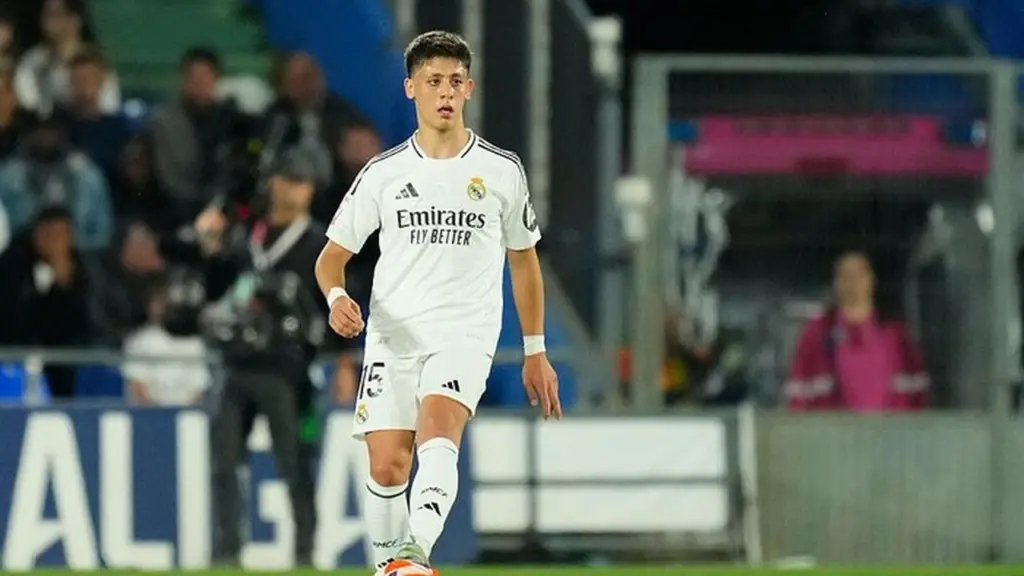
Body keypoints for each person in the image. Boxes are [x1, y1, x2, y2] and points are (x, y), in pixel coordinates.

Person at [314, 31, 561, 574]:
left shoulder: (501, 170)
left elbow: (524, 261)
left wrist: (535, 350)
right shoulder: (384, 173)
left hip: (464, 332)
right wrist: (336, 297)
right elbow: (330, 259)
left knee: (439, 428)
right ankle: (392, 569)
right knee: (387, 466)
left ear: (469, 88)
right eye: (433, 81)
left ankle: (414, 552)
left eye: (454, 81)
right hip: (393, 334)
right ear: (411, 88)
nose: (445, 92)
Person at [197, 149, 331, 567]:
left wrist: (340, 358)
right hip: (236, 364)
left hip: (288, 372)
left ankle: (305, 552)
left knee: (296, 463)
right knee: (224, 463)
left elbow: (334, 306)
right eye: (287, 179)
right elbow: (215, 289)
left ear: (311, 190)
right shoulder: (246, 238)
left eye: (301, 183)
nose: (293, 190)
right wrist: (211, 247)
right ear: (272, 182)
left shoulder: (319, 245)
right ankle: (227, 552)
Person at [786, 250, 930, 411]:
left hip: (889, 427)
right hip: (831, 426)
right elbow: (797, 395)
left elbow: (919, 397)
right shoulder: (815, 334)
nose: (852, 282)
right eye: (845, 275)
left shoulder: (897, 337)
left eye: (859, 274)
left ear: (871, 280)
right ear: (836, 282)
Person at [15, 0, 120, 116]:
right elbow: (28, 103)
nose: (48, 21)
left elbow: (109, 107)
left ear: (75, 19)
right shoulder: (33, 61)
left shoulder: (95, 62)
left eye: (55, 14)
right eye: (45, 15)